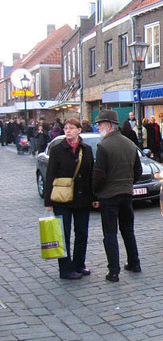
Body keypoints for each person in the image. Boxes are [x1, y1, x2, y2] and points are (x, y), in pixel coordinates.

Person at [44, 118, 98, 280]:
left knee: (82, 233)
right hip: (62, 200)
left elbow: (91, 174)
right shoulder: (57, 150)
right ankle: (65, 269)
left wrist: (95, 197)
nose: (68, 131)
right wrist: (48, 201)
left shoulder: (86, 149)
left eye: (71, 128)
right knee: (63, 234)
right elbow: (50, 176)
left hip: (82, 199)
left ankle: (79, 264)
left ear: (79, 130)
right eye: (66, 128)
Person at [93, 109, 142, 282]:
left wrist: (96, 193)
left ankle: (113, 271)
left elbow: (99, 174)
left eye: (99, 124)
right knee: (128, 230)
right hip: (126, 194)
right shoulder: (130, 144)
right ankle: (134, 262)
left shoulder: (103, 146)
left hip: (109, 196)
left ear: (108, 125)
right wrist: (128, 183)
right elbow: (138, 171)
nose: (97, 127)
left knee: (110, 233)